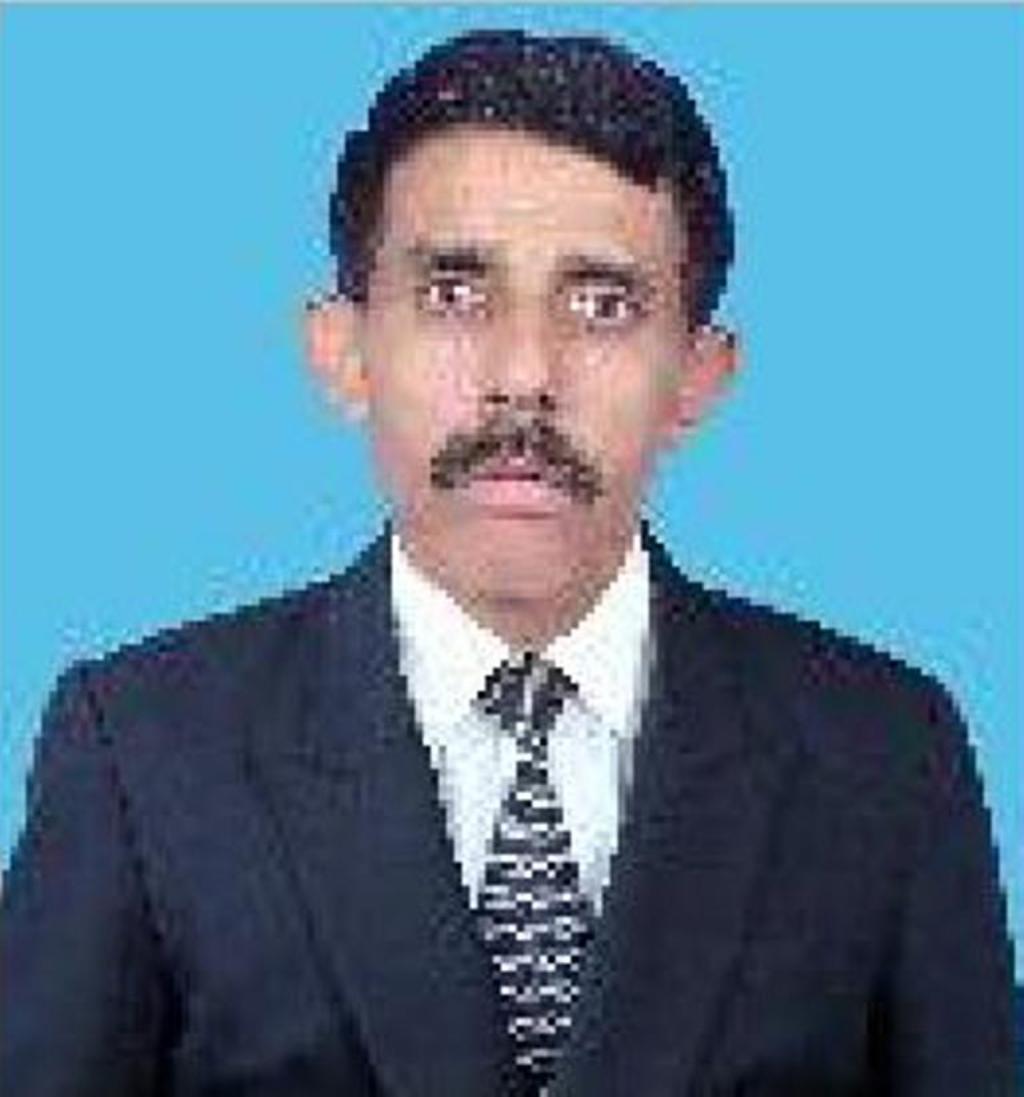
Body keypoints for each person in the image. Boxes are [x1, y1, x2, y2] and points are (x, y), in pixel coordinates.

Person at [0, 27, 1016, 1097]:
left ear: (698, 374)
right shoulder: (144, 750)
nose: (524, 374)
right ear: (341, 349)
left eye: (602, 304)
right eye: (454, 291)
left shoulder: (883, 753)